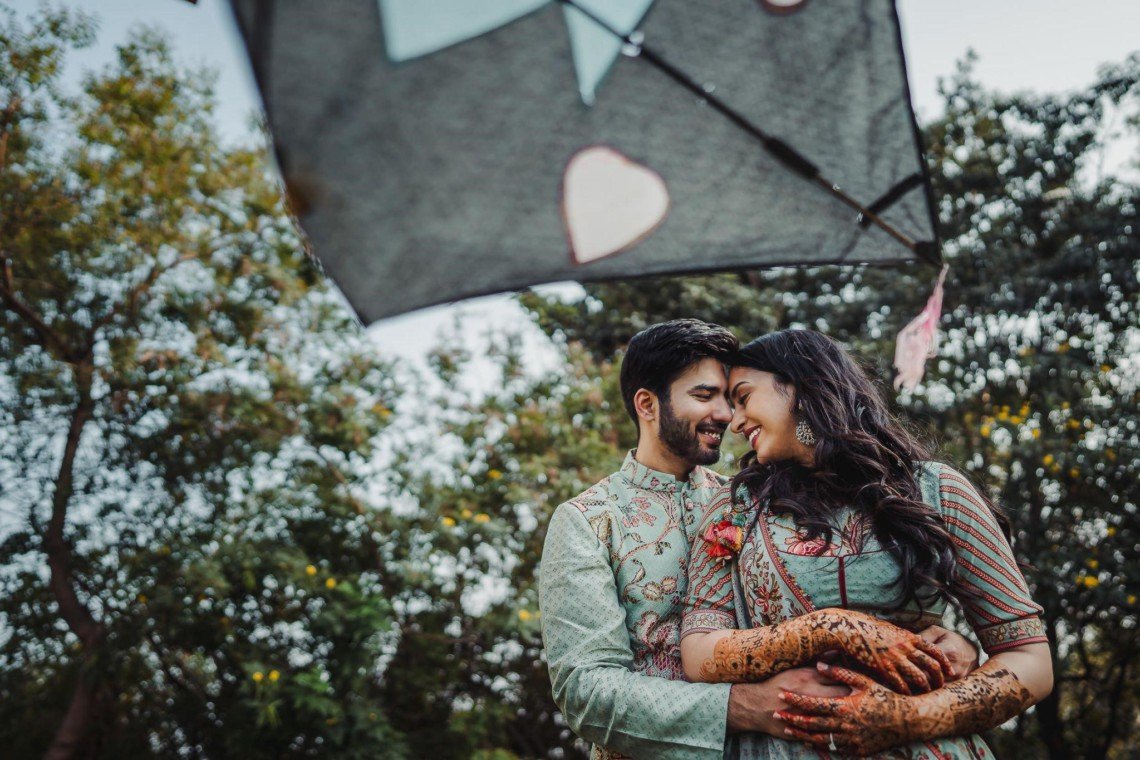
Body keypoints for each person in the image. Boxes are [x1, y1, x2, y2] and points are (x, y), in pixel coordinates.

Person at [539, 320, 980, 760]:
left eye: (732, 398)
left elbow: (839, 585)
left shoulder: (753, 501)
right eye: (704, 395)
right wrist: (747, 707)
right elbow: (585, 690)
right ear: (647, 404)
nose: (726, 415)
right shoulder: (588, 521)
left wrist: (945, 645)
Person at [680, 329, 1053, 758]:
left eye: (743, 397)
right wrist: (831, 628)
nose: (735, 420)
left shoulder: (937, 490)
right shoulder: (735, 506)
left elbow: (1031, 661)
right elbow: (699, 653)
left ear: (801, 387)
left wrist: (909, 717)